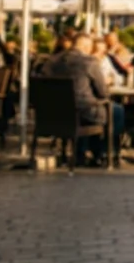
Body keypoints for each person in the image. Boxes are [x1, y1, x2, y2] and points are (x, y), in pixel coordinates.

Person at [43, 34, 125, 166]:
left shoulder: (52, 61)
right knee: (117, 110)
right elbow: (103, 93)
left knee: (93, 108)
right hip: (84, 112)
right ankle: (106, 153)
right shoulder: (89, 62)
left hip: (56, 113)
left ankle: (83, 152)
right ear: (87, 47)